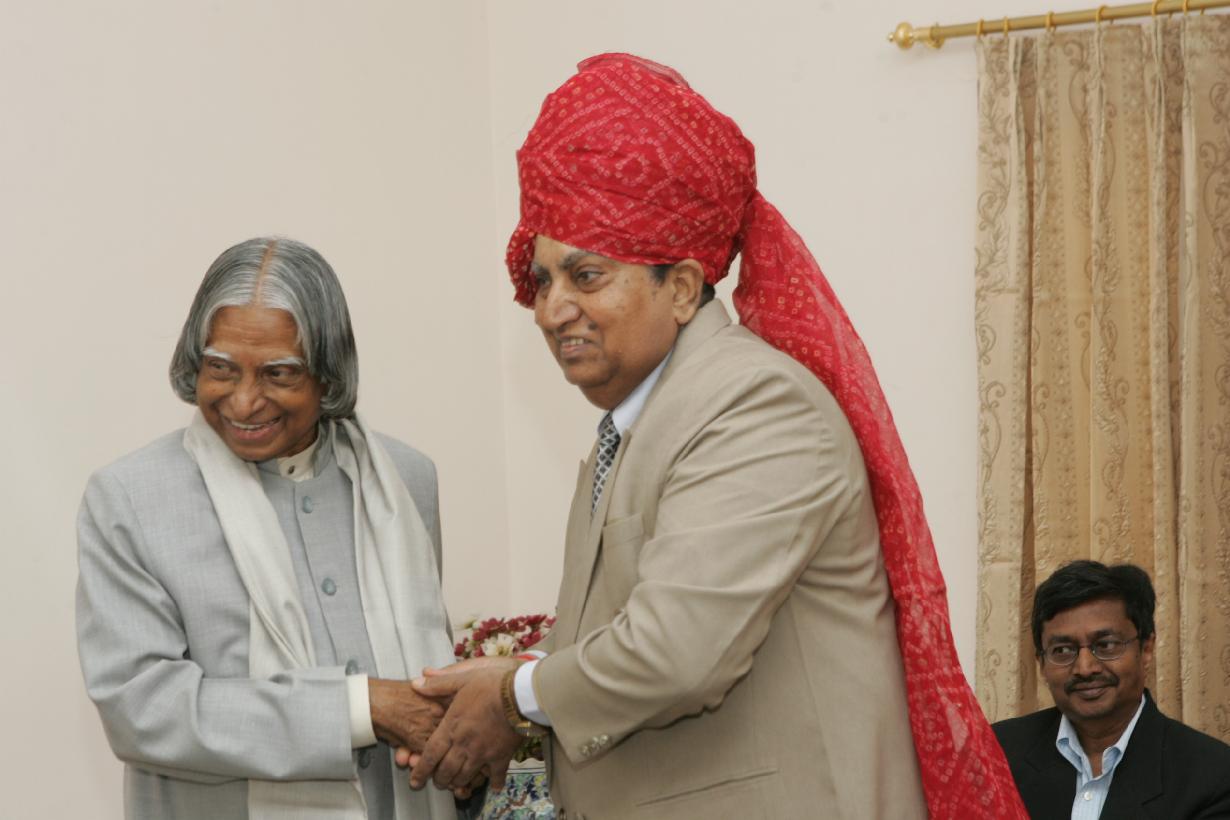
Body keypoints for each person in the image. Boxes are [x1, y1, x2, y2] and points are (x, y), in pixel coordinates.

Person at [404, 54, 1026, 819]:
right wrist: (513, 688)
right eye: (542, 280)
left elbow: (673, 652)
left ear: (683, 287)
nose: (551, 309)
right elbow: (616, 634)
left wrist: (511, 694)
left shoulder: (755, 408)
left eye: (586, 276)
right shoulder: (637, 426)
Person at [76, 237, 462, 820]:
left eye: (279, 373)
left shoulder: (405, 481)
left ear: (328, 375)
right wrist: (361, 708)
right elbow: (144, 710)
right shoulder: (131, 498)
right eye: (221, 369)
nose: (245, 401)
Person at [993, 561, 1230, 819]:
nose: (1085, 668)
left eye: (1106, 645)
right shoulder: (996, 754)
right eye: (1063, 650)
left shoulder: (1212, 775)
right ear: (1041, 663)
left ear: (1146, 649)